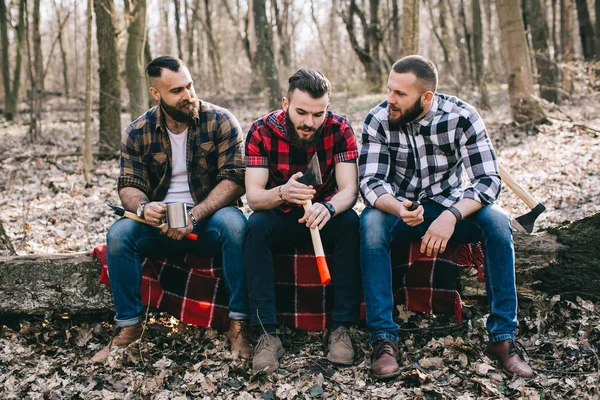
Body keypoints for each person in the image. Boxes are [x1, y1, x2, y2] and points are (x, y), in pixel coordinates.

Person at [358, 55, 534, 379]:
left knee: (497, 223)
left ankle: (503, 338)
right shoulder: (377, 119)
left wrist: (452, 215)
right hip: (399, 209)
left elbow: (488, 180)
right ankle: (383, 339)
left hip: (451, 204)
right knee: (368, 226)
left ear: (427, 97)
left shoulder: (462, 116)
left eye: (400, 94)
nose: (390, 100)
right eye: (389, 90)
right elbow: (369, 182)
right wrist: (397, 207)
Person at [91, 56, 250, 362]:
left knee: (236, 225)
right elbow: (128, 183)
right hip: (158, 225)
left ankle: (239, 324)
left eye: (189, 85)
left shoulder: (221, 121)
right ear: (156, 93)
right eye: (176, 90)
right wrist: (143, 207)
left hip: (207, 219)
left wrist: (194, 215)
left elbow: (234, 180)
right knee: (119, 234)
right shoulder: (138, 131)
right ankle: (130, 327)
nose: (187, 95)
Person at [244, 69, 362, 373]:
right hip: (280, 216)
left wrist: (329, 208)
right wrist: (283, 192)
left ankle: (341, 329)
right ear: (285, 103)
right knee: (254, 228)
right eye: (301, 112)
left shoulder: (340, 130)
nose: (309, 122)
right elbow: (254, 198)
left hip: (323, 218)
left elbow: (349, 189)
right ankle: (267, 334)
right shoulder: (261, 132)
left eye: (318, 114)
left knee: (351, 223)